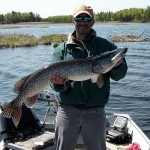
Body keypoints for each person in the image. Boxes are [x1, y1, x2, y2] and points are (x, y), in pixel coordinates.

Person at [50, 4, 128, 150]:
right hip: (67, 111)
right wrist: (60, 83)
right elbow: (55, 86)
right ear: (73, 21)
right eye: (79, 18)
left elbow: (119, 76)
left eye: (87, 18)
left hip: (95, 112)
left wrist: (117, 65)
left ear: (92, 21)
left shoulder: (106, 46)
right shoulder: (62, 49)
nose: (83, 21)